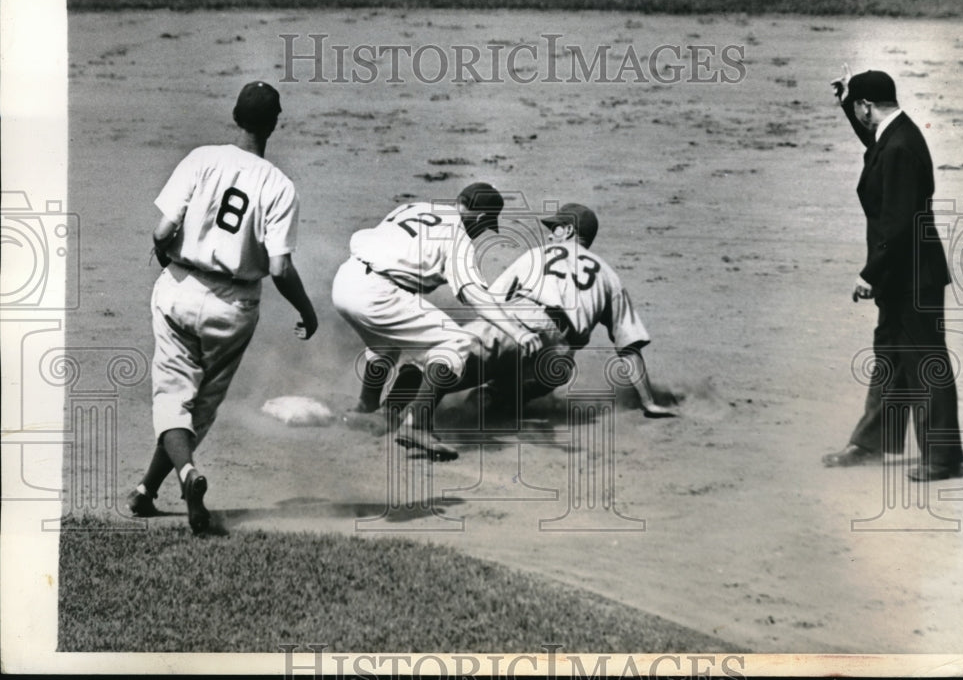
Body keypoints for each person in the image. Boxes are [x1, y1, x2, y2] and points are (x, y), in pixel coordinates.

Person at [127, 81, 319, 533]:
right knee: (199, 408)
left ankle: (186, 475)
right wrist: (307, 312)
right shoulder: (281, 187)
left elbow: (161, 231)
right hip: (233, 309)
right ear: (274, 124)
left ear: (235, 117)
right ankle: (147, 492)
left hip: (179, 289)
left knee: (172, 398)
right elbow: (281, 269)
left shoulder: (202, 158)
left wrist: (165, 258)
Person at [386, 202, 681, 461]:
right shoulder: (608, 276)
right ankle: (485, 403)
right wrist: (649, 402)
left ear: (567, 230)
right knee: (544, 376)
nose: (551, 233)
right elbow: (629, 346)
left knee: (449, 358)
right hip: (555, 358)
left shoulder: (539, 253)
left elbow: (492, 302)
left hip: (523, 321)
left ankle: (410, 418)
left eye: (555, 228)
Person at [331, 182, 542, 459]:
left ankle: (365, 410)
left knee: (385, 345)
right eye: (485, 226)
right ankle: (417, 424)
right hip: (377, 293)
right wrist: (517, 332)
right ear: (479, 218)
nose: (481, 234)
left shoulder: (414, 207)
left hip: (345, 281)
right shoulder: (459, 238)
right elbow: (473, 294)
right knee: (457, 342)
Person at [823, 67, 963, 481]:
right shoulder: (897, 134)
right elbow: (874, 143)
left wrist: (870, 274)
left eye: (859, 107)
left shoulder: (900, 147)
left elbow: (898, 223)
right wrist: (846, 103)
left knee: (924, 362)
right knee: (890, 358)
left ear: (869, 106)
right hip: (903, 273)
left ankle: (942, 459)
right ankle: (871, 444)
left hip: (911, 276)